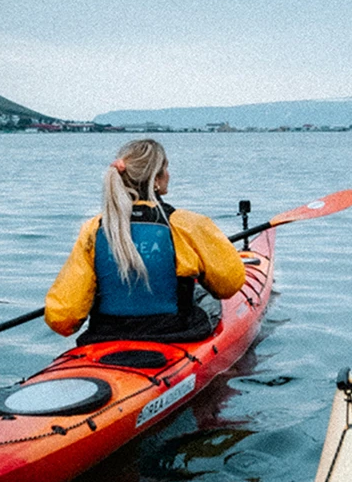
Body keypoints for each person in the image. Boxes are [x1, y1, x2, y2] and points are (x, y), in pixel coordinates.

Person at [45, 139, 246, 345]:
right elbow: (229, 285)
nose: (169, 174)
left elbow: (62, 317)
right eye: (166, 168)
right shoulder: (186, 224)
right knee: (206, 296)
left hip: (106, 336)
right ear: (156, 179)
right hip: (176, 334)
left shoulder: (94, 228)